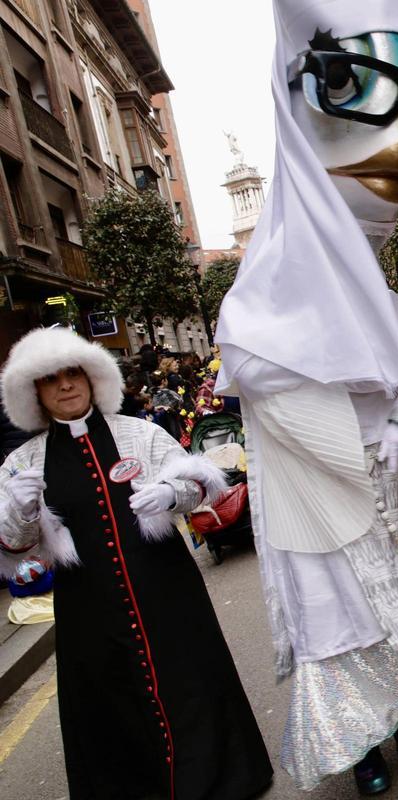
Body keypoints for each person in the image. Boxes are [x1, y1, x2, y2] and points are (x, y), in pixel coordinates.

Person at [214, 1, 398, 793]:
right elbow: (258, 371)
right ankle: (358, 743)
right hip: (323, 497)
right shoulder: (263, 288)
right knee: (341, 617)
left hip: (387, 489)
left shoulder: (369, 280)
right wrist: (357, 435)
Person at [0, 327, 273, 799]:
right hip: (88, 607)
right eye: (51, 379)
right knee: (110, 703)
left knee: (190, 682)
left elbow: (201, 487)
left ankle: (216, 778)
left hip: (165, 589)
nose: (65, 385)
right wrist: (18, 512)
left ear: (92, 377)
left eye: (73, 373)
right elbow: (15, 547)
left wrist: (173, 491)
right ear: (35, 393)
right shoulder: (22, 462)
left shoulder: (139, 433)